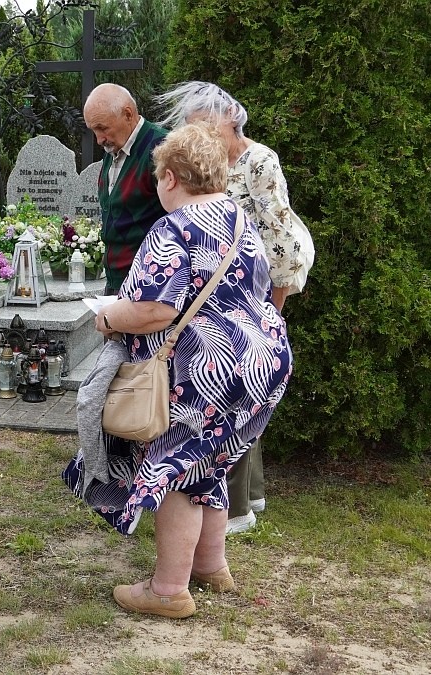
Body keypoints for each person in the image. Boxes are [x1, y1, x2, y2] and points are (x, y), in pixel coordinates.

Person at [87, 123, 293, 618]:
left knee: (176, 470)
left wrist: (109, 317)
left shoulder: (174, 228)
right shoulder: (239, 219)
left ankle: (167, 590)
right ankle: (210, 565)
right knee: (210, 463)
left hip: (204, 369)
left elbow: (154, 309)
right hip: (261, 361)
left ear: (171, 178)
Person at [156, 81, 316, 533]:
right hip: (223, 301)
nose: (200, 137)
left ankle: (235, 509)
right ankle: (250, 495)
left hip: (253, 299)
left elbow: (282, 243)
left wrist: (271, 313)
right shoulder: (213, 163)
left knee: (230, 399)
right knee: (234, 396)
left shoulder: (259, 161)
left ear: (229, 119)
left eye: (205, 126)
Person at [83, 83, 170, 294]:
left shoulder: (163, 149)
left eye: (102, 128)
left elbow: (181, 219)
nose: (99, 139)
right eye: (93, 130)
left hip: (149, 285)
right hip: (117, 282)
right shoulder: (115, 147)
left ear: (128, 114)